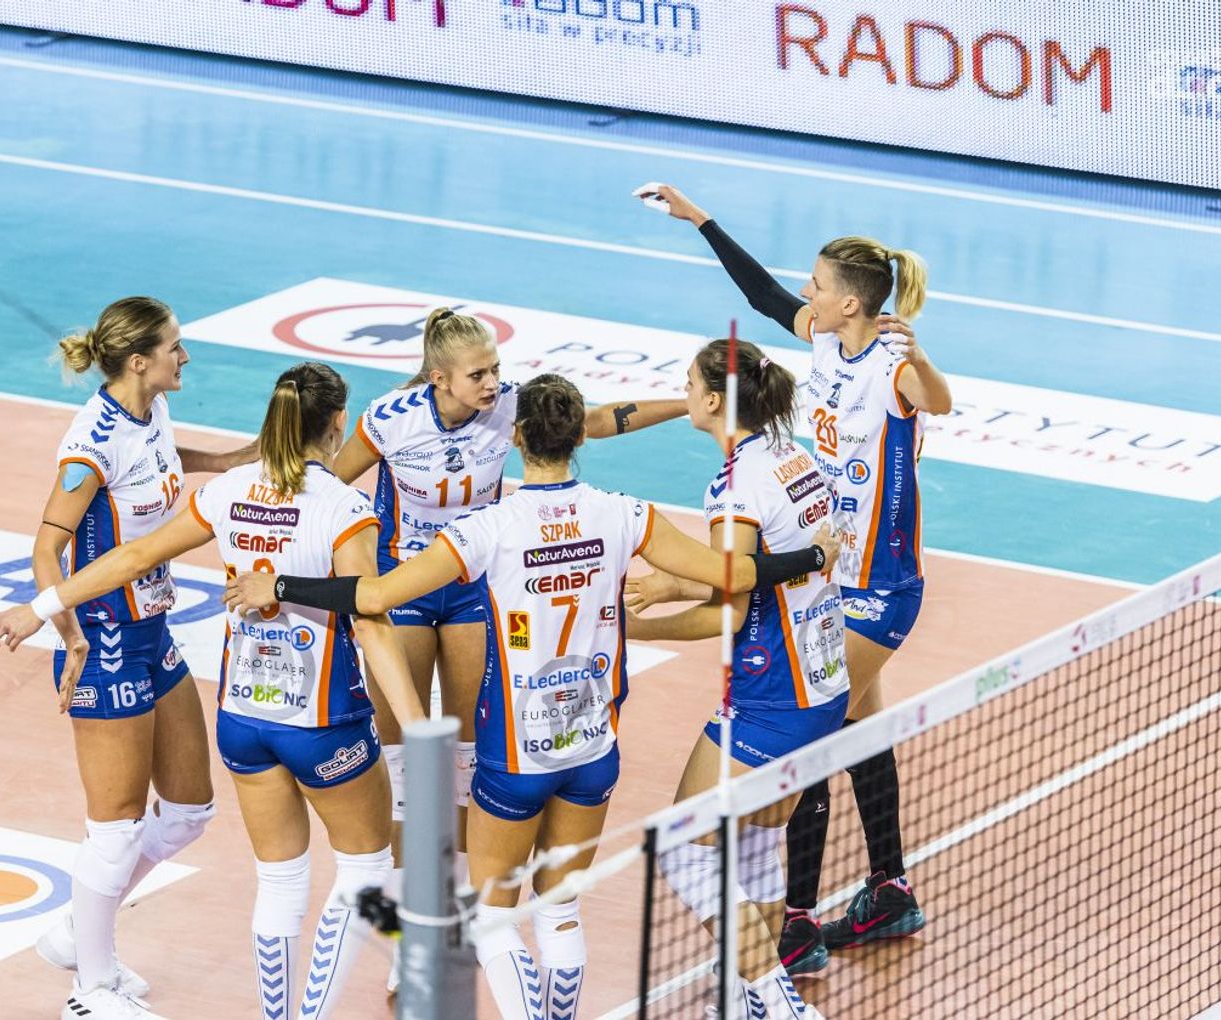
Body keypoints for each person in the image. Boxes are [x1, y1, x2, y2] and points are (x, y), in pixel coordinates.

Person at [224, 374, 836, 1020]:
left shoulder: (487, 528)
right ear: (579, 438)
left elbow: (373, 596)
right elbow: (734, 574)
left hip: (516, 758)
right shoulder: (626, 514)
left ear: (516, 438)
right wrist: (809, 558)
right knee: (560, 911)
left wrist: (281, 585)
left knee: (493, 919)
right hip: (593, 751)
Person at [0, 362, 427, 1020]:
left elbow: (131, 557)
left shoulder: (231, 491)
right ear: (339, 423)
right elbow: (370, 622)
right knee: (363, 869)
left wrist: (40, 606)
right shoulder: (345, 510)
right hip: (324, 720)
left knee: (280, 879)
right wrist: (418, 723)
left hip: (243, 722)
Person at [633, 185, 953, 974]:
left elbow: (941, 402)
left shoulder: (893, 368)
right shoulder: (823, 340)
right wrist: (703, 220)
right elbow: (763, 296)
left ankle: (798, 923)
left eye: (818, 284)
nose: (805, 291)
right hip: (828, 569)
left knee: (815, 734)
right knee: (860, 726)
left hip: (878, 587)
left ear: (851, 303)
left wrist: (919, 357)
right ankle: (889, 888)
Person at [331, 307, 689, 990]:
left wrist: (686, 405)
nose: (493, 383)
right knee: (408, 767)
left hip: (473, 590)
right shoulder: (390, 419)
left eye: (495, 368)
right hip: (406, 586)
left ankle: (464, 920)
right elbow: (332, 484)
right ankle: (413, 933)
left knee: (472, 762)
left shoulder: (510, 409)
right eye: (478, 374)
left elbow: (600, 419)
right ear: (439, 378)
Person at [0, 297, 254, 1019]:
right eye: (174, 347)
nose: (185, 357)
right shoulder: (89, 446)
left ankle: (78, 930)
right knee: (116, 824)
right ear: (139, 361)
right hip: (104, 639)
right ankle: (91, 991)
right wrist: (67, 632)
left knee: (189, 810)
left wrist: (226, 462)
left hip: (152, 630)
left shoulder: (151, 408)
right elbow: (46, 548)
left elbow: (160, 460)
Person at [626, 339, 843, 1020]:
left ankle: (781, 1005)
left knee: (683, 846)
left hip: (772, 694)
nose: (685, 393)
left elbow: (730, 610)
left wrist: (633, 630)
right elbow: (761, 568)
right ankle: (751, 1003)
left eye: (691, 384)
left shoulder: (733, 488)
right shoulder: (790, 455)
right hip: (822, 680)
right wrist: (672, 583)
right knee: (751, 844)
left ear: (716, 399)